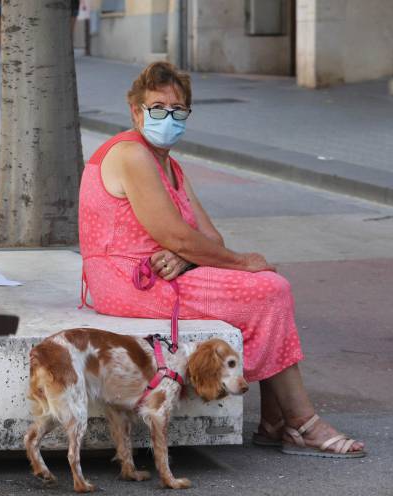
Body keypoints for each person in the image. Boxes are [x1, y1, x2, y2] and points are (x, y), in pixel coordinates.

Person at [78, 61, 364, 457]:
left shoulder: (170, 165)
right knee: (268, 290)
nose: (168, 117)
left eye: (178, 110)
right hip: (129, 281)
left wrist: (185, 257)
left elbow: (208, 236)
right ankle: (299, 422)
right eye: (157, 108)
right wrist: (238, 261)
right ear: (135, 111)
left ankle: (277, 422)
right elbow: (177, 235)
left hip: (165, 275)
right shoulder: (131, 154)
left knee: (268, 290)